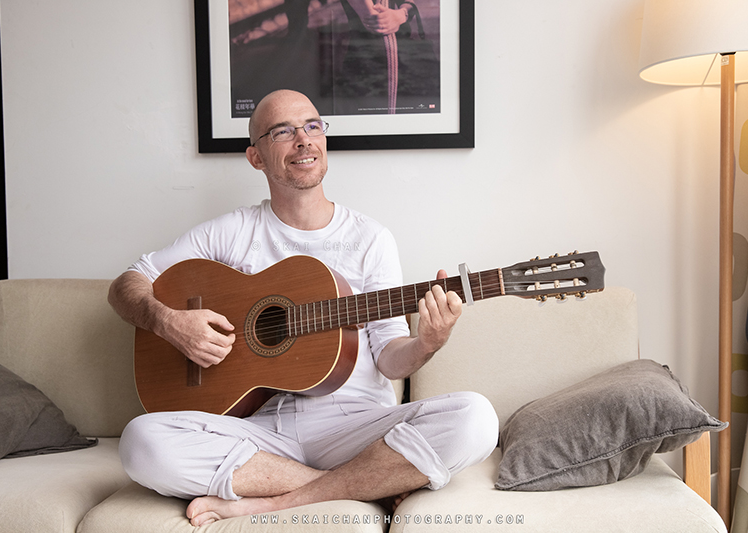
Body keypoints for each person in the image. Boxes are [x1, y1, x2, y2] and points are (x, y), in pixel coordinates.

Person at [108, 89, 497, 527]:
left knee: (476, 418)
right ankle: (354, 484)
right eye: (283, 131)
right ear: (256, 157)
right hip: (259, 431)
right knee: (141, 441)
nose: (304, 139)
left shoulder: (370, 238)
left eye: (313, 126)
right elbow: (128, 282)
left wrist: (427, 343)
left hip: (354, 426)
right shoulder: (233, 231)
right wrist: (169, 321)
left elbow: (391, 360)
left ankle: (272, 502)